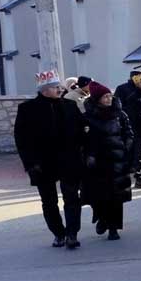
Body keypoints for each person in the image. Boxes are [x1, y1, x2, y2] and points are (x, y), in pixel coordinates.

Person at [13, 69, 85, 249]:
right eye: (55, 87)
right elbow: (21, 139)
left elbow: (81, 131)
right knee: (49, 201)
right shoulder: (27, 109)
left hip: (69, 161)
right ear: (44, 90)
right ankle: (59, 234)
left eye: (60, 86)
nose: (60, 90)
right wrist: (30, 164)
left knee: (72, 198)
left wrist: (83, 154)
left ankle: (72, 234)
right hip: (42, 164)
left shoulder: (70, 106)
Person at [82, 82, 134, 241]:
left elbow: (129, 133)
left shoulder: (120, 114)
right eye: (105, 96)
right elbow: (83, 140)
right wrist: (88, 156)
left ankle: (113, 228)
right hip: (97, 163)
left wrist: (126, 148)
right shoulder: (87, 117)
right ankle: (102, 218)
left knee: (116, 197)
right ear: (97, 99)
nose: (109, 99)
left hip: (117, 160)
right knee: (99, 196)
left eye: (109, 96)